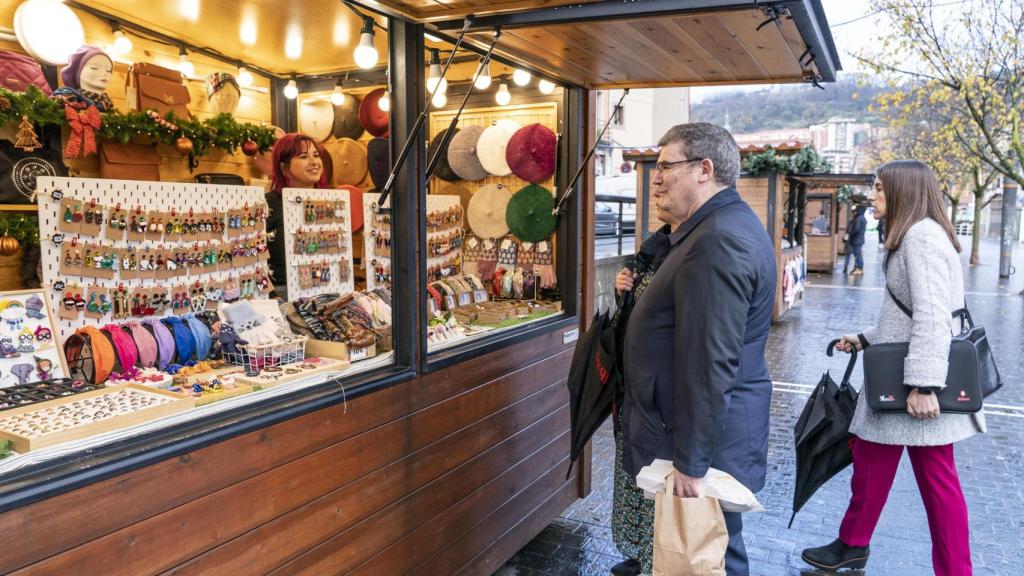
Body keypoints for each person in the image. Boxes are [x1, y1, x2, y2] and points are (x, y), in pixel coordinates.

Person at [801, 160, 984, 575]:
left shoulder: (920, 238)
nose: (872, 195)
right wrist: (866, 338)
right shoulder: (917, 234)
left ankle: (956, 570)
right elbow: (908, 313)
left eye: (880, 188)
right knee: (870, 461)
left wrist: (924, 385)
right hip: (901, 380)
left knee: (938, 485)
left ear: (904, 191)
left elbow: (934, 316)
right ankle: (852, 544)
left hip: (916, 386)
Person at [621, 123, 776, 576]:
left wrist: (691, 463)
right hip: (699, 436)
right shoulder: (709, 230)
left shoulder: (716, 240)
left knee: (712, 555)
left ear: (704, 169)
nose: (656, 179)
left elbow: (709, 362)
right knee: (711, 550)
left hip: (700, 446)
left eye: (665, 166)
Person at [609, 223, 672, 576]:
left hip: (660, 389)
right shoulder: (656, 242)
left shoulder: (692, 248)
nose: (658, 198)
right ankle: (637, 550)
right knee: (631, 470)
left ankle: (656, 558)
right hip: (633, 384)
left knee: (655, 474)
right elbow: (630, 310)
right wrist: (623, 288)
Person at [266, 133, 329, 300]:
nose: (314, 162)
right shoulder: (269, 204)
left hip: (324, 289)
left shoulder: (328, 202)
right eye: (303, 156)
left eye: (316, 155)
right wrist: (272, 296)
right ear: (284, 167)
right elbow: (252, 261)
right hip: (283, 294)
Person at [843, 206, 867, 275]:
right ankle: (858, 267)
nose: (855, 212)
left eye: (856, 211)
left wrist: (851, 233)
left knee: (857, 254)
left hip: (856, 239)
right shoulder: (863, 218)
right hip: (859, 239)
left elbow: (856, 229)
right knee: (857, 254)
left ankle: (859, 267)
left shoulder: (858, 219)